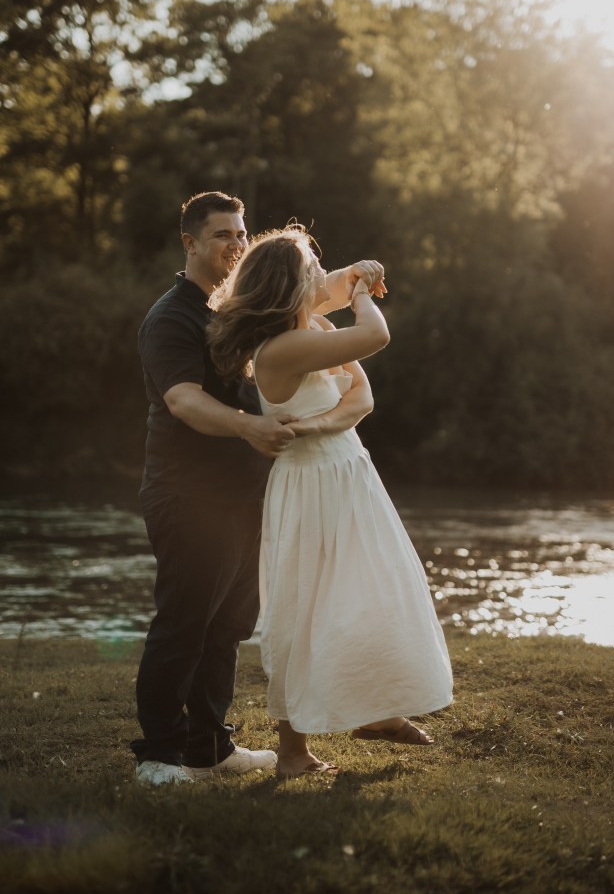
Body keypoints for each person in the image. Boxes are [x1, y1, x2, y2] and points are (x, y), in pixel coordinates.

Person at [133, 191, 385, 785]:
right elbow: (181, 398)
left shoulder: (236, 305)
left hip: (249, 495)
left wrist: (358, 274)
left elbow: (309, 292)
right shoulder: (171, 317)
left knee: (229, 626)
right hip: (189, 494)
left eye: (241, 235)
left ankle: (210, 748)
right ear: (190, 243)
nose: (235, 244)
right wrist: (249, 425)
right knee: (185, 622)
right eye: (222, 235)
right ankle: (158, 755)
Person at [208, 226, 453, 778]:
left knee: (372, 590)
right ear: (290, 286)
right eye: (310, 271)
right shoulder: (286, 347)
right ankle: (292, 752)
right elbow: (375, 335)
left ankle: (379, 712)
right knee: (306, 607)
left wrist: (317, 423)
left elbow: (361, 397)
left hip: (347, 471)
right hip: (311, 484)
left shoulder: (312, 327)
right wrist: (362, 290)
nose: (321, 278)